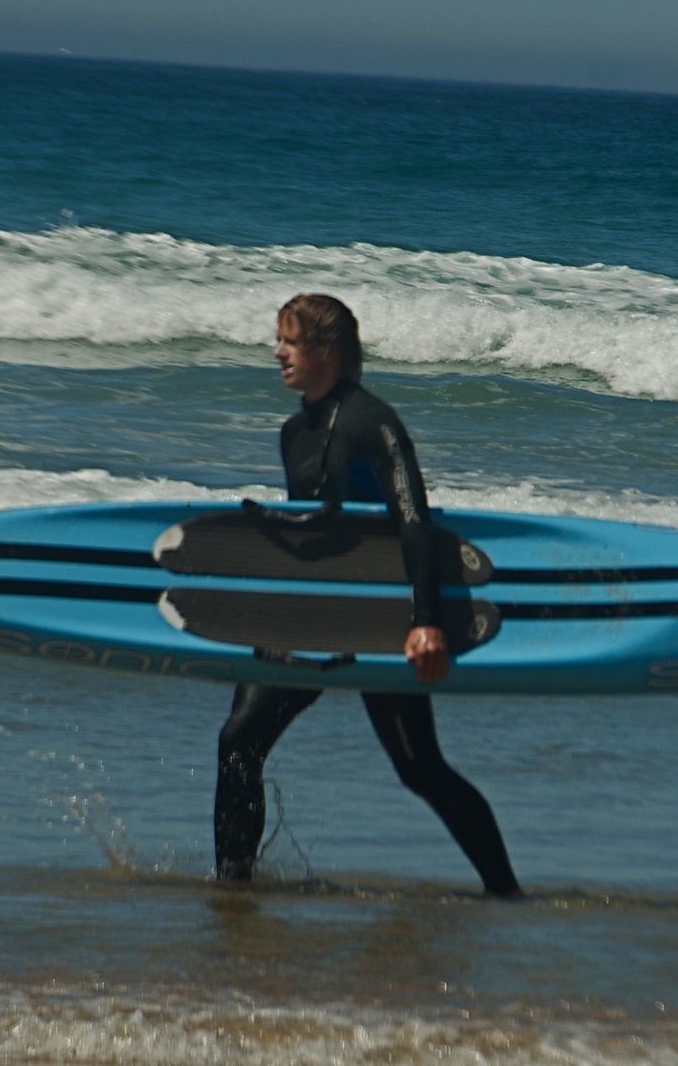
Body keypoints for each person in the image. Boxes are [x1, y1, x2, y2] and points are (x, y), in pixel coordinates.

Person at [213, 293, 523, 898]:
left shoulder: (373, 423)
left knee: (420, 768)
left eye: (290, 341)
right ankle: (232, 895)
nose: (277, 352)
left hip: (382, 619)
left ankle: (507, 895)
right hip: (312, 614)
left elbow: (415, 522)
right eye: (279, 340)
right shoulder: (293, 432)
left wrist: (425, 622)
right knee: (238, 742)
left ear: (327, 350)